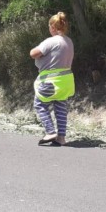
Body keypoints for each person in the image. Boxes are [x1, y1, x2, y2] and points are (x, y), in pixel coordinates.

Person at [29, 12, 75, 146]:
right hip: (66, 81)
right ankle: (61, 138)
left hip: (51, 80)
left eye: (49, 26)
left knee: (39, 104)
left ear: (53, 27)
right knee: (60, 107)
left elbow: (33, 53)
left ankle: (50, 132)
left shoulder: (51, 41)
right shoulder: (69, 41)